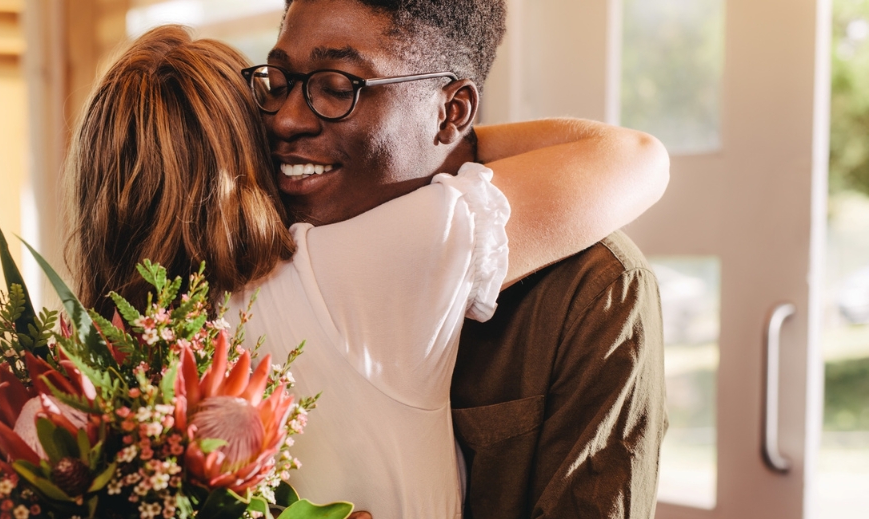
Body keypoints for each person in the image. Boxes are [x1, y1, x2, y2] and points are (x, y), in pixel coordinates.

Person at [67, 23, 665, 519]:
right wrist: (451, 136)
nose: (287, 122)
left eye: (333, 86)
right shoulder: (346, 268)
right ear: (252, 146)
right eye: (274, 94)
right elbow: (634, 158)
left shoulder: (100, 378)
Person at [260, 1, 669, 518]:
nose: (286, 119)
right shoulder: (244, 245)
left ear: (452, 111)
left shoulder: (593, 288)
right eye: (276, 82)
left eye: (337, 87)